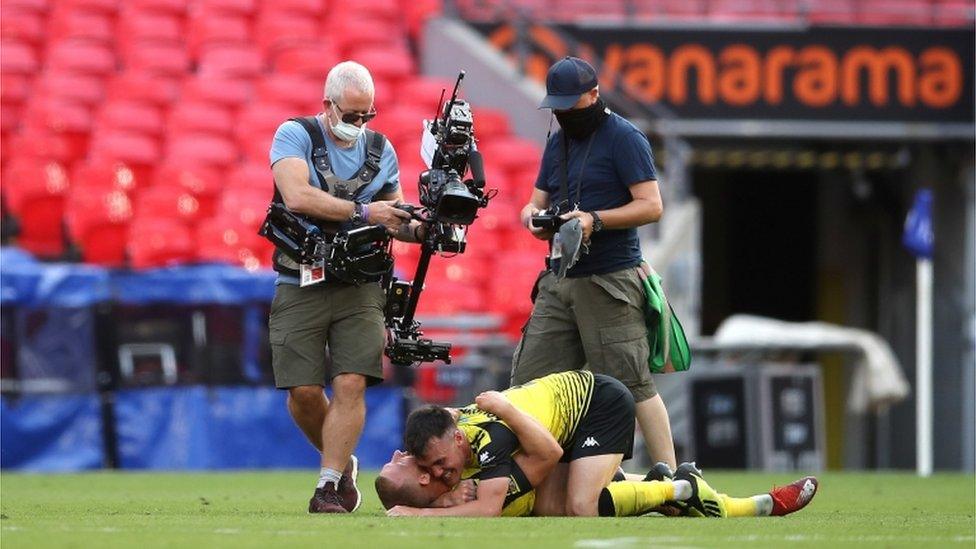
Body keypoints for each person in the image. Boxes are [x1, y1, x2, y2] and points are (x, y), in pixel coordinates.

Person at [268, 60, 424, 513]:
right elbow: (296, 195)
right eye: (351, 115)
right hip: (300, 276)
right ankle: (344, 463)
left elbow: (393, 217)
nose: (358, 125)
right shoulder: (294, 134)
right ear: (328, 105)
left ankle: (329, 485)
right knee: (301, 391)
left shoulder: (382, 149)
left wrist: (423, 225)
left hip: (361, 283)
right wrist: (364, 212)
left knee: (352, 379)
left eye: (366, 116)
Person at [513, 55, 676, 468]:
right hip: (560, 279)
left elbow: (652, 206)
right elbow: (535, 203)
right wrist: (532, 219)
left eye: (572, 103)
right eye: (558, 105)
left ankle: (676, 480)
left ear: (595, 94)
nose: (566, 112)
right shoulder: (557, 142)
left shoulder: (625, 137)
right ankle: (529, 481)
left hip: (611, 278)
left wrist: (594, 220)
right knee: (528, 384)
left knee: (633, 384)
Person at [384, 370, 727, 517]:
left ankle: (679, 488)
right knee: (550, 508)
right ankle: (653, 484)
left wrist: (417, 513)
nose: (443, 472)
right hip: (561, 421)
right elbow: (446, 417)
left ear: (458, 439)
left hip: (597, 403)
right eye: (431, 469)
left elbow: (548, 454)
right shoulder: (455, 432)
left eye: (441, 463)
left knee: (581, 507)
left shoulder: (491, 436)